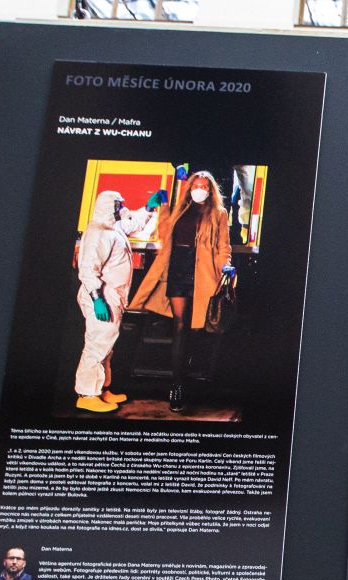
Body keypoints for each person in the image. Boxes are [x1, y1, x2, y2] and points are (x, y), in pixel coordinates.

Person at [129, 170, 235, 413]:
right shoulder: (182, 209)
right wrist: (163, 206)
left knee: (197, 328)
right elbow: (166, 234)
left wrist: (225, 266)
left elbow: (223, 246)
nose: (199, 189)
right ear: (189, 188)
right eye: (195, 185)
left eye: (204, 186)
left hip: (203, 273)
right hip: (177, 269)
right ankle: (176, 385)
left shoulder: (219, 213)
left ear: (210, 190)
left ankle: (189, 373)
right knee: (179, 326)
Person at [72, 190, 143, 413]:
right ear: (107, 206)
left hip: (111, 296)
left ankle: (101, 389)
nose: (122, 208)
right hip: (101, 297)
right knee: (97, 344)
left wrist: (148, 209)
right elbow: (87, 269)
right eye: (118, 204)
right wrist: (97, 299)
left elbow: (133, 225)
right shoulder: (98, 233)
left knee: (106, 344)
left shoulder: (113, 228)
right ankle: (86, 394)